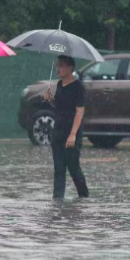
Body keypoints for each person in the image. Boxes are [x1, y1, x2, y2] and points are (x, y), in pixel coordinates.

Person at [44, 55, 89, 199]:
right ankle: (57, 200)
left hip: (71, 134)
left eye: (61, 65)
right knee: (59, 169)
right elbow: (59, 106)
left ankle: (84, 196)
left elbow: (79, 111)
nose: (58, 68)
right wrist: (50, 100)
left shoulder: (78, 87)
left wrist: (73, 134)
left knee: (73, 168)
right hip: (58, 132)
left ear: (70, 68)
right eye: (57, 65)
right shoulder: (59, 84)